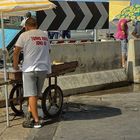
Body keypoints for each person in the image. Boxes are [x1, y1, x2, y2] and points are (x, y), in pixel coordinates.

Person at [13, 17, 51, 128]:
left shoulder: (24, 35)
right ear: (36, 25)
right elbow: (48, 50)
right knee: (36, 95)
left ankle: (36, 121)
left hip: (29, 70)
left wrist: (15, 67)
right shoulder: (44, 35)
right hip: (43, 69)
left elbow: (16, 53)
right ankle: (30, 114)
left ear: (26, 26)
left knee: (32, 95)